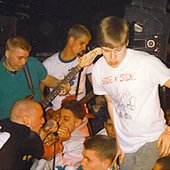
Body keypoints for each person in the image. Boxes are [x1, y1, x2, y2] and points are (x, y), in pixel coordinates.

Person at [91, 16, 170, 170]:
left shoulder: (146, 63)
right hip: (126, 146)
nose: (112, 57)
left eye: (118, 50)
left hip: (153, 139)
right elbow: (110, 103)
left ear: (126, 43)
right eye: (106, 51)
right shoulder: (98, 69)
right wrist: (119, 141)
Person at [0, 35, 70, 120]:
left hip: (35, 119)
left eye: (26, 57)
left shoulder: (32, 63)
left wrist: (58, 83)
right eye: (20, 58)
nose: (23, 62)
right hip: (8, 122)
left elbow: (47, 79)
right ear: (8, 54)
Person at [41, 24, 92, 114]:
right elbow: (39, 92)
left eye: (86, 44)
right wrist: (48, 110)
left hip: (79, 112)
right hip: (57, 113)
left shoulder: (85, 61)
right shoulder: (48, 64)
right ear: (71, 40)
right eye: (81, 43)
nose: (84, 48)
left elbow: (96, 83)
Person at [32, 99, 90, 170]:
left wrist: (59, 142)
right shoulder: (55, 131)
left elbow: (58, 168)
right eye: (59, 117)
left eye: (66, 119)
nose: (60, 122)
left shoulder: (82, 146)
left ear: (77, 123)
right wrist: (44, 132)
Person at [0, 98, 45, 169]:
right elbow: (49, 154)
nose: (43, 121)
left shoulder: (3, 122)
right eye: (40, 117)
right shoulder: (26, 135)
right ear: (25, 119)